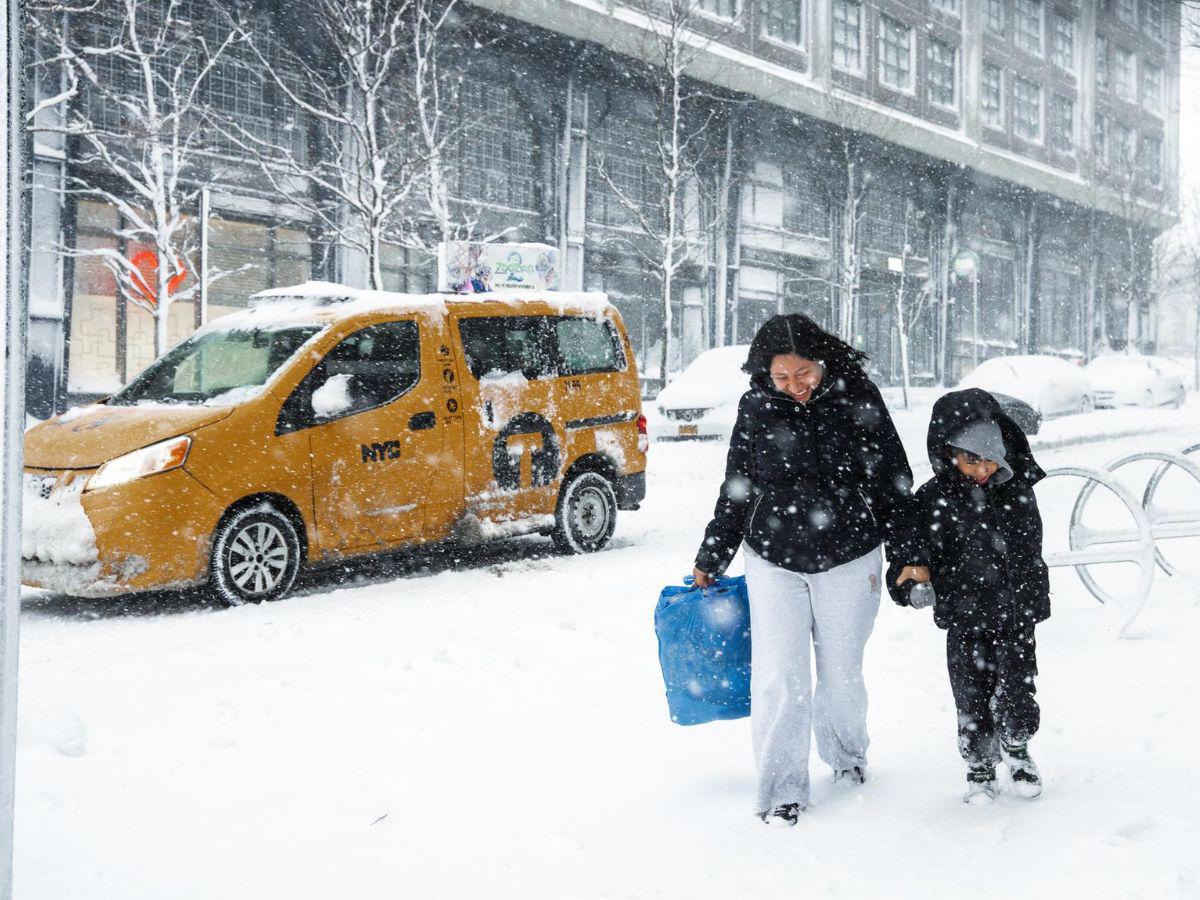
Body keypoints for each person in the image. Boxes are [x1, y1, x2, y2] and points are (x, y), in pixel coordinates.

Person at [691, 314, 928, 825]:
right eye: (782, 378)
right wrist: (714, 551)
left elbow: (893, 482)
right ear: (765, 374)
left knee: (841, 674)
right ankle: (781, 788)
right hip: (772, 558)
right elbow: (738, 485)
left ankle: (846, 758)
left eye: (805, 375)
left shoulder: (857, 400)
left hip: (849, 555)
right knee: (779, 676)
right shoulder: (756, 407)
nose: (795, 387)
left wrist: (910, 556)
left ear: (823, 363)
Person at [894, 388, 1050, 804]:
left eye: (989, 459)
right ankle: (979, 766)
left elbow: (1028, 548)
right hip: (965, 615)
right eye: (970, 459)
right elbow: (912, 551)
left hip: (1015, 613)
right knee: (971, 693)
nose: (981, 469)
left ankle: (1018, 749)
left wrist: (1028, 594)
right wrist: (913, 579)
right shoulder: (933, 499)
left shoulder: (1017, 491)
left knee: (1018, 687)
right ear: (949, 454)